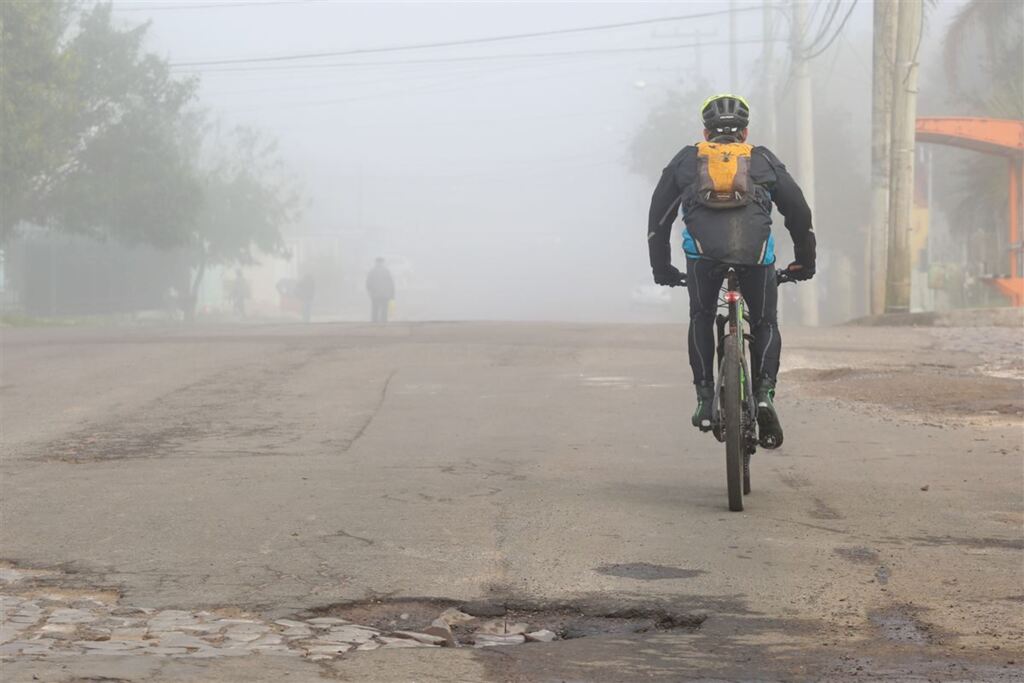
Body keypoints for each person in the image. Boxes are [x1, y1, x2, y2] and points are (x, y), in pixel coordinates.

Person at [646, 94, 816, 448]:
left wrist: (662, 268)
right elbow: (798, 212)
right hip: (756, 257)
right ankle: (765, 393)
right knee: (765, 322)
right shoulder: (762, 159)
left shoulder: (686, 160)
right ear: (745, 133)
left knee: (702, 315)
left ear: (706, 132)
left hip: (703, 259)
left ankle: (705, 400)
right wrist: (805, 261)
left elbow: (658, 220)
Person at [366, 257, 395, 323]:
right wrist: (392, 293)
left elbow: (368, 283)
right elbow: (391, 283)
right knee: (384, 310)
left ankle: (374, 323)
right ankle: (383, 323)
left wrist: (370, 291)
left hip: (375, 294)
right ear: (383, 262)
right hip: (385, 294)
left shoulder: (372, 271)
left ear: (376, 262)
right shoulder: (386, 271)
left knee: (375, 309)